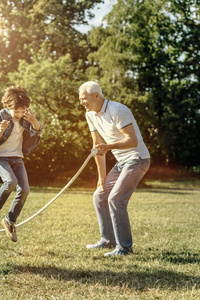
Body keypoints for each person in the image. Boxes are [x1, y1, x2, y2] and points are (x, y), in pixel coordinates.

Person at [79, 81, 150, 257]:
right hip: (121, 163)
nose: (81, 103)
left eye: (83, 99)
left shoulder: (118, 110)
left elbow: (132, 140)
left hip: (137, 159)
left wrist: (108, 147)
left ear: (96, 96)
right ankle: (107, 240)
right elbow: (98, 146)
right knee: (100, 195)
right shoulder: (90, 115)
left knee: (116, 199)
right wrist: (101, 178)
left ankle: (124, 248)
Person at [0, 86, 42, 242]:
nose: (19, 115)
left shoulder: (26, 115)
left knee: (25, 189)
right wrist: (1, 130)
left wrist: (33, 121)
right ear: (7, 106)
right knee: (10, 182)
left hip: (17, 157)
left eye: (22, 111)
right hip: (0, 157)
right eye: (16, 112)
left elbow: (37, 131)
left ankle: (10, 220)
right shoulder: (0, 116)